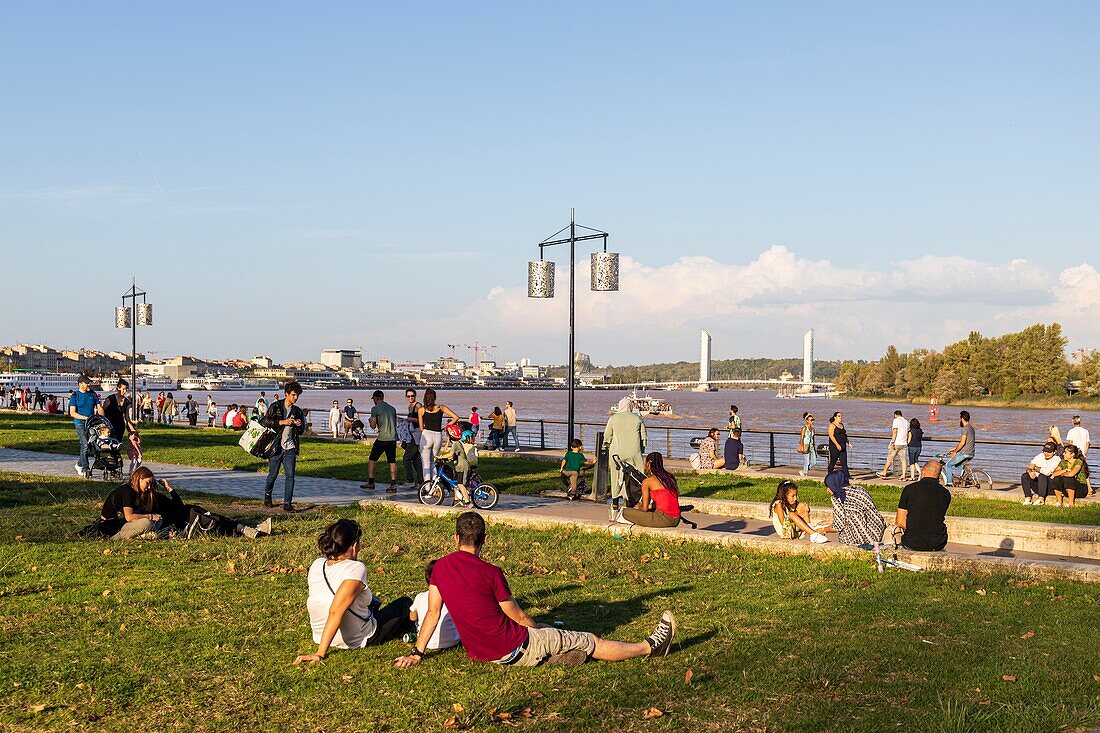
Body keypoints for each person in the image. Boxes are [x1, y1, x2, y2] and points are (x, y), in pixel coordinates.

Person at [393, 512, 677, 669]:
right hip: (512, 647)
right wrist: (535, 628)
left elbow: (431, 613)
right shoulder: (491, 573)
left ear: (456, 537)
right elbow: (516, 616)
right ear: (484, 539)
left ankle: (557, 658)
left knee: (552, 637)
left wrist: (417, 652)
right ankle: (649, 647)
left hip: (480, 651)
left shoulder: (440, 568)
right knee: (589, 639)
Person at [294, 519, 414, 664]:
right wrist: (320, 653)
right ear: (354, 545)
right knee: (404, 603)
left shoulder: (317, 564)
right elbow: (335, 612)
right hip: (356, 638)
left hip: (318, 635)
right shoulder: (356, 568)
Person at [261, 381, 306, 512]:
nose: (295, 398)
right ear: (286, 394)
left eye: (297, 395)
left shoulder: (297, 411)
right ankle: (267, 495)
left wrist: (298, 425)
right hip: (275, 447)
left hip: (290, 447)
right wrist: (282, 422)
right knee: (272, 475)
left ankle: (287, 503)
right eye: (293, 395)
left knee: (290, 476)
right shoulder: (276, 406)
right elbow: (264, 421)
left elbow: (302, 430)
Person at [603, 398, 647, 514]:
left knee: (616, 477)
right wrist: (641, 449)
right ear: (630, 406)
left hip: (617, 453)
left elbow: (607, 435)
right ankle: (635, 501)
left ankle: (615, 503)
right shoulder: (637, 418)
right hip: (634, 452)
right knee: (638, 476)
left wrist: (605, 446)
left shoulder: (613, 418)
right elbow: (643, 437)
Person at [896, 460, 951, 551]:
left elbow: (900, 522)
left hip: (912, 542)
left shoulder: (909, 489)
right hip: (937, 543)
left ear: (923, 472)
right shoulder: (945, 493)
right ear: (938, 475)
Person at [618, 452, 682, 528]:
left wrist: (638, 507)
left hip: (663, 519)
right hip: (676, 519)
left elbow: (644, 508)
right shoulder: (670, 477)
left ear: (648, 464)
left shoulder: (648, 481)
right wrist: (650, 506)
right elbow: (667, 500)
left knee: (624, 512)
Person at [824, 471, 886, 547]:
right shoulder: (860, 489)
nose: (827, 490)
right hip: (877, 531)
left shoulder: (837, 498)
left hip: (862, 539)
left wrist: (823, 529)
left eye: (828, 487)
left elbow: (838, 526)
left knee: (841, 536)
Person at [408, 560, 460, 651]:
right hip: (453, 641)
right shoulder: (455, 597)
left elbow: (412, 617)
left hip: (425, 642)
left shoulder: (420, 597)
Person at [417, 388, 460, 482]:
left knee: (426, 464)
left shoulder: (421, 410)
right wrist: (447, 426)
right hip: (437, 436)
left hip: (426, 435)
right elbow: (456, 417)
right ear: (435, 397)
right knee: (433, 462)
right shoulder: (442, 407)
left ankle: (427, 488)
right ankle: (436, 487)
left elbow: (421, 428)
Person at [362, 390, 399, 493]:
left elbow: (373, 425)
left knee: (372, 459)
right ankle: (393, 484)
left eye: (373, 399)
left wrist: (370, 421)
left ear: (376, 398)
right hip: (392, 438)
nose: (373, 400)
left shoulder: (375, 409)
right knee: (392, 461)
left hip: (382, 438)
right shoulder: (392, 409)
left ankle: (371, 482)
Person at [69, 375, 103, 478]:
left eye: (89, 383)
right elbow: (72, 413)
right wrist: (85, 418)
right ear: (80, 384)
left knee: (91, 445)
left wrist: (101, 417)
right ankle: (85, 468)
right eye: (86, 383)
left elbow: (99, 407)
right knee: (84, 444)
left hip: (91, 423)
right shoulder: (75, 396)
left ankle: (79, 464)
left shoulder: (92, 394)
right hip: (80, 423)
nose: (89, 385)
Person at [1051, 444, 1090, 508]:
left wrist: (1061, 474)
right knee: (1056, 479)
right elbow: (1054, 474)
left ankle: (1071, 504)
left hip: (1080, 489)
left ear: (1072, 454)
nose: (1063, 454)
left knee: (1068, 478)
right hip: (1067, 490)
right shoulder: (1063, 462)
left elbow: (1071, 474)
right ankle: (1059, 502)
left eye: (1065, 452)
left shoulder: (1078, 462)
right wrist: (1064, 470)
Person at [943, 411, 975, 486]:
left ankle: (949, 483)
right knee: (957, 464)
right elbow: (968, 442)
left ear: (962, 419)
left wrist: (955, 452)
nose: (959, 421)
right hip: (971, 452)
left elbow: (962, 442)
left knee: (948, 465)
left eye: (960, 419)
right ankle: (964, 477)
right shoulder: (972, 428)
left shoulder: (964, 429)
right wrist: (954, 449)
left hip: (965, 453)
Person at [878, 410, 908, 479]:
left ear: (895, 415)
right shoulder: (906, 422)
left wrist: (892, 442)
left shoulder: (896, 420)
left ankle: (884, 472)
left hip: (896, 443)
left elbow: (895, 432)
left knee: (890, 458)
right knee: (903, 460)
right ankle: (903, 475)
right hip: (904, 443)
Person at [798, 412, 817, 477]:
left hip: (811, 446)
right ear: (807, 420)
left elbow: (813, 439)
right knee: (807, 461)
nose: (812, 421)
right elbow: (801, 438)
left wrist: (815, 447)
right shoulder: (804, 428)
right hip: (806, 445)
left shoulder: (813, 429)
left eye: (813, 420)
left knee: (814, 462)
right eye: (811, 420)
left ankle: (804, 471)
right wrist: (801, 446)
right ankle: (805, 473)